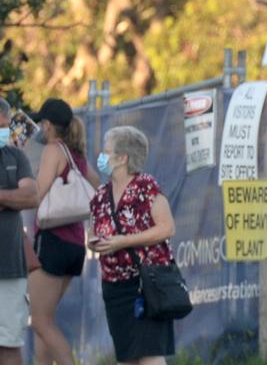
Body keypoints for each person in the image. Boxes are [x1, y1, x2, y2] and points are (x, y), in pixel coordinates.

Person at [89, 125, 177, 365]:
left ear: (122, 158)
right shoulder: (100, 195)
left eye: (106, 152)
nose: (102, 157)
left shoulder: (145, 187)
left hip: (146, 283)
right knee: (126, 356)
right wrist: (97, 243)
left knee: (150, 354)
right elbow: (93, 233)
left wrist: (124, 242)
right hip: (114, 287)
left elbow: (167, 228)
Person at [29, 98, 99, 365]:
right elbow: (94, 181)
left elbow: (38, 193)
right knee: (44, 321)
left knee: (40, 321)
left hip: (51, 242)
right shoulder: (75, 155)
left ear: (47, 125)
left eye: (41, 123)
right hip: (74, 247)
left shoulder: (52, 151)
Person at [0, 98, 38, 365]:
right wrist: (10, 197)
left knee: (9, 342)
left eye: (4, 125)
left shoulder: (16, 156)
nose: (3, 130)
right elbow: (20, 195)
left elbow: (31, 196)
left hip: (10, 266)